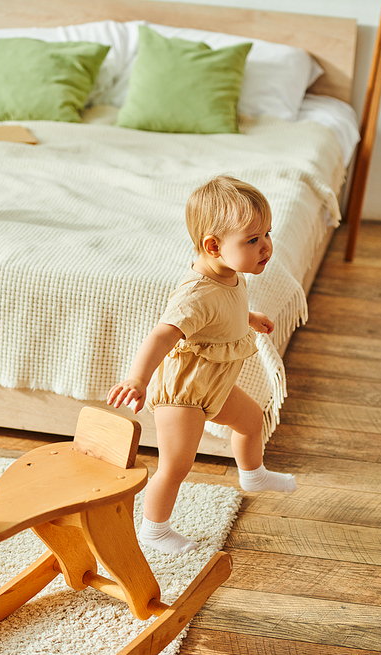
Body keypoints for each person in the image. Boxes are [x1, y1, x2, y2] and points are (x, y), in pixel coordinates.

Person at [107, 175, 296, 555]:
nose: (267, 247)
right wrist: (137, 378)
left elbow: (222, 312)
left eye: (267, 234)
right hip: (184, 392)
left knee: (251, 419)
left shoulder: (230, 274)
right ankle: (154, 530)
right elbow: (161, 335)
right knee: (176, 465)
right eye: (253, 240)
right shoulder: (194, 294)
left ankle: (253, 475)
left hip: (213, 383)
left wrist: (249, 317)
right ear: (213, 246)